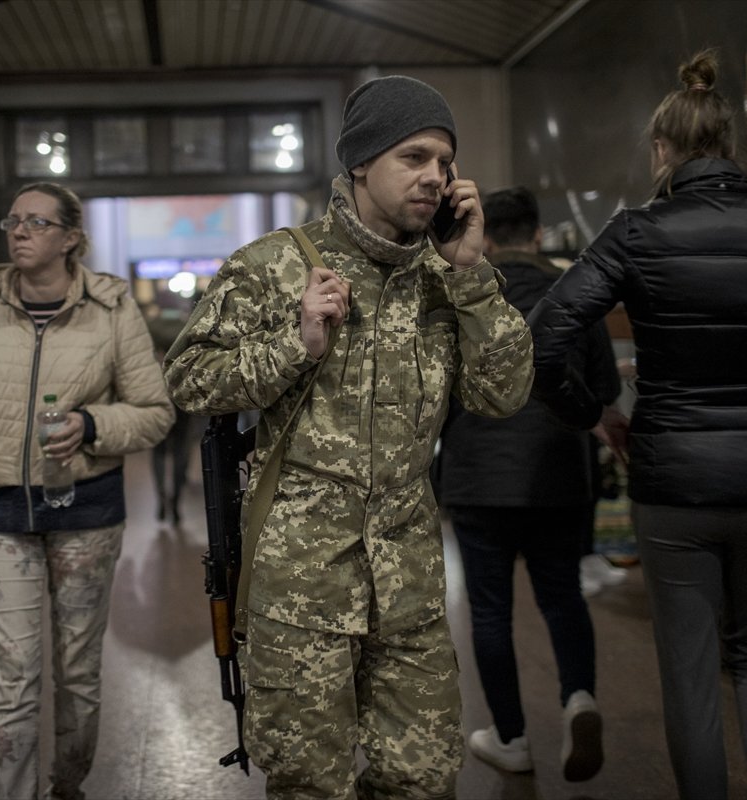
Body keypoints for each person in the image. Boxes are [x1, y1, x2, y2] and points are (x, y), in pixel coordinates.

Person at [165, 75, 534, 799]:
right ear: (361, 161)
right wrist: (292, 346)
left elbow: (503, 392)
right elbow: (187, 379)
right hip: (300, 591)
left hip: (410, 589)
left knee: (423, 778)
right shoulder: (275, 264)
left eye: (446, 162)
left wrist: (472, 275)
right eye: (415, 156)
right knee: (310, 783)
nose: (435, 175)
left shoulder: (446, 274)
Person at [527, 50, 747, 800]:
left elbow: (546, 333)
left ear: (662, 150)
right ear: (730, 144)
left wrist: (594, 413)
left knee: (688, 672)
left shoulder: (634, 234)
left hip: (673, 482)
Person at [0, 181, 174, 800]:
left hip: (85, 512)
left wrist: (92, 426)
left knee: (78, 674)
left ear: (70, 238)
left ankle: (68, 786)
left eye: (37, 223)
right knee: (11, 679)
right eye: (14, 220)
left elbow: (155, 411)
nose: (20, 231)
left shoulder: (111, 307)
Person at [439, 187, 618, 782]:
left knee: (490, 614)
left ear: (486, 237)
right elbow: (602, 388)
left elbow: (436, 388)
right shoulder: (574, 288)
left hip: (477, 473)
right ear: (539, 235)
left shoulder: (467, 291)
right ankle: (578, 699)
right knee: (562, 594)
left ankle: (512, 738)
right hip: (557, 470)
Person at [144, 302, 198, 525]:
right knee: (180, 454)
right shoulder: (184, 340)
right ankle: (175, 503)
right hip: (181, 404)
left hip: (156, 401)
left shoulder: (153, 343)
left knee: (157, 453)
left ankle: (161, 499)